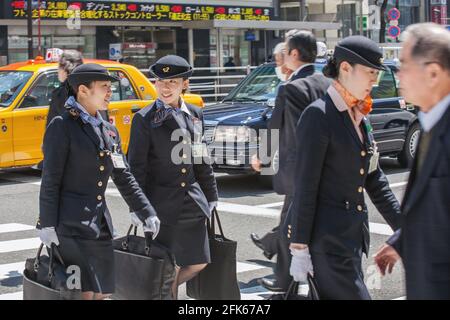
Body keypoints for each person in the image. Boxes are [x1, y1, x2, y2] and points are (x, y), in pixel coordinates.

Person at [287, 36, 402, 300]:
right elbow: (305, 184)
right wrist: (299, 248)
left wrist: (403, 227)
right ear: (346, 68)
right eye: (370, 72)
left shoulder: (360, 115)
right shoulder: (319, 115)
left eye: (377, 73)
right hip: (326, 243)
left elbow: (374, 178)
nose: (375, 80)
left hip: (351, 239)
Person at [38, 63, 160, 300]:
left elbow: (123, 175)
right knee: (83, 293)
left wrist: (145, 211)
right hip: (69, 225)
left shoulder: (107, 129)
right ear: (83, 90)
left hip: (99, 224)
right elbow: (50, 180)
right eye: (104, 87)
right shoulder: (62, 126)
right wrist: (47, 223)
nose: (110, 93)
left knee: (101, 292)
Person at [127, 55, 219, 299]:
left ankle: (163, 294)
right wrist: (138, 207)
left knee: (199, 262)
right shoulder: (144, 118)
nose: (165, 88)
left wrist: (211, 195)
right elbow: (136, 168)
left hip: (192, 203)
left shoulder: (196, 113)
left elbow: (200, 157)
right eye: (160, 81)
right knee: (166, 266)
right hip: (161, 206)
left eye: (173, 82)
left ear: (184, 85)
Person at [374, 23, 450, 300]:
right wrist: (402, 241)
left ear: (432, 73)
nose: (397, 73)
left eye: (404, 64)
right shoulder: (431, 122)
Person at [251, 30, 331, 293]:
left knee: (289, 223)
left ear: (295, 54)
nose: (282, 56)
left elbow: (276, 127)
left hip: (298, 169)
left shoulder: (290, 87)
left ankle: (284, 279)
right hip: (326, 165)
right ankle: (292, 273)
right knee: (299, 220)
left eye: (285, 50)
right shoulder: (327, 83)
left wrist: (261, 159)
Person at [46, 50, 83, 127]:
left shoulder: (62, 93)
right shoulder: (91, 88)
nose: (58, 70)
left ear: (65, 69)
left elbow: (53, 127)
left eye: (59, 66)